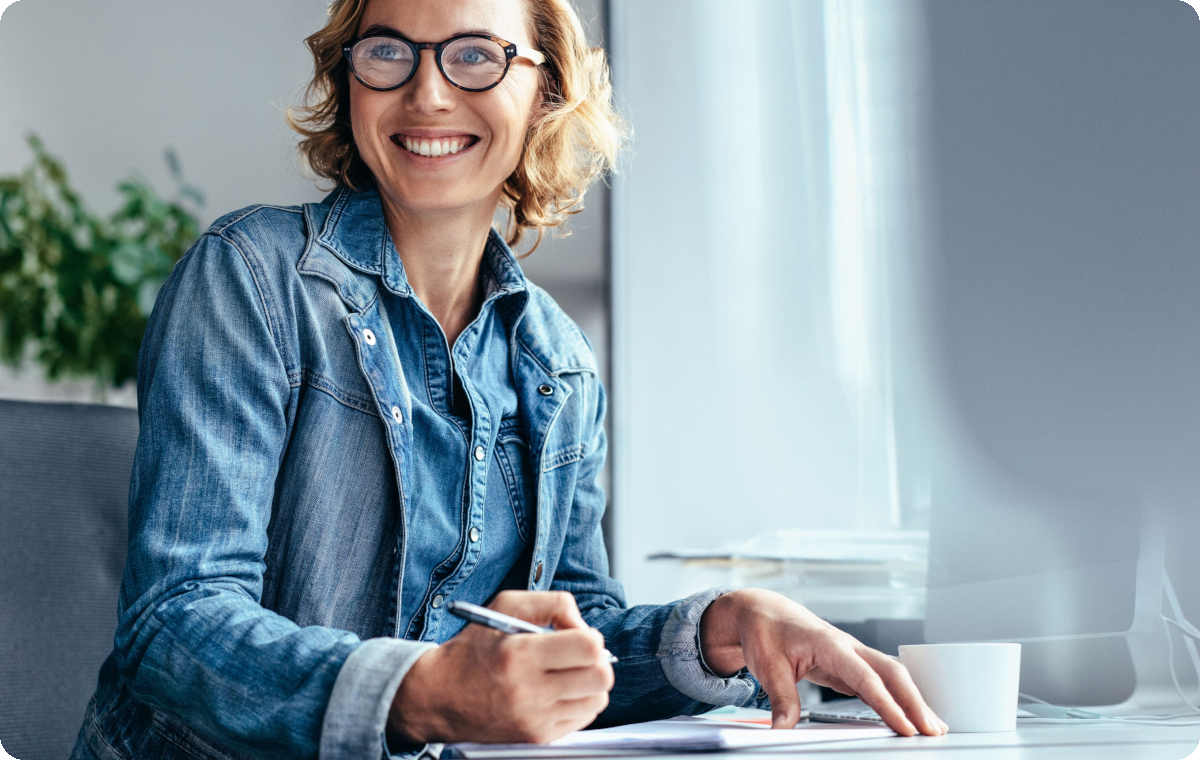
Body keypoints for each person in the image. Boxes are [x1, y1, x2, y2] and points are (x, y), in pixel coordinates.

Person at [70, 0, 947, 757]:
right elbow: (176, 622)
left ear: (547, 92)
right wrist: (425, 690)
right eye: (387, 51)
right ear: (349, 80)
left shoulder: (560, 363)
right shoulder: (250, 278)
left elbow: (575, 638)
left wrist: (719, 631)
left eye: (476, 55)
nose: (426, 93)